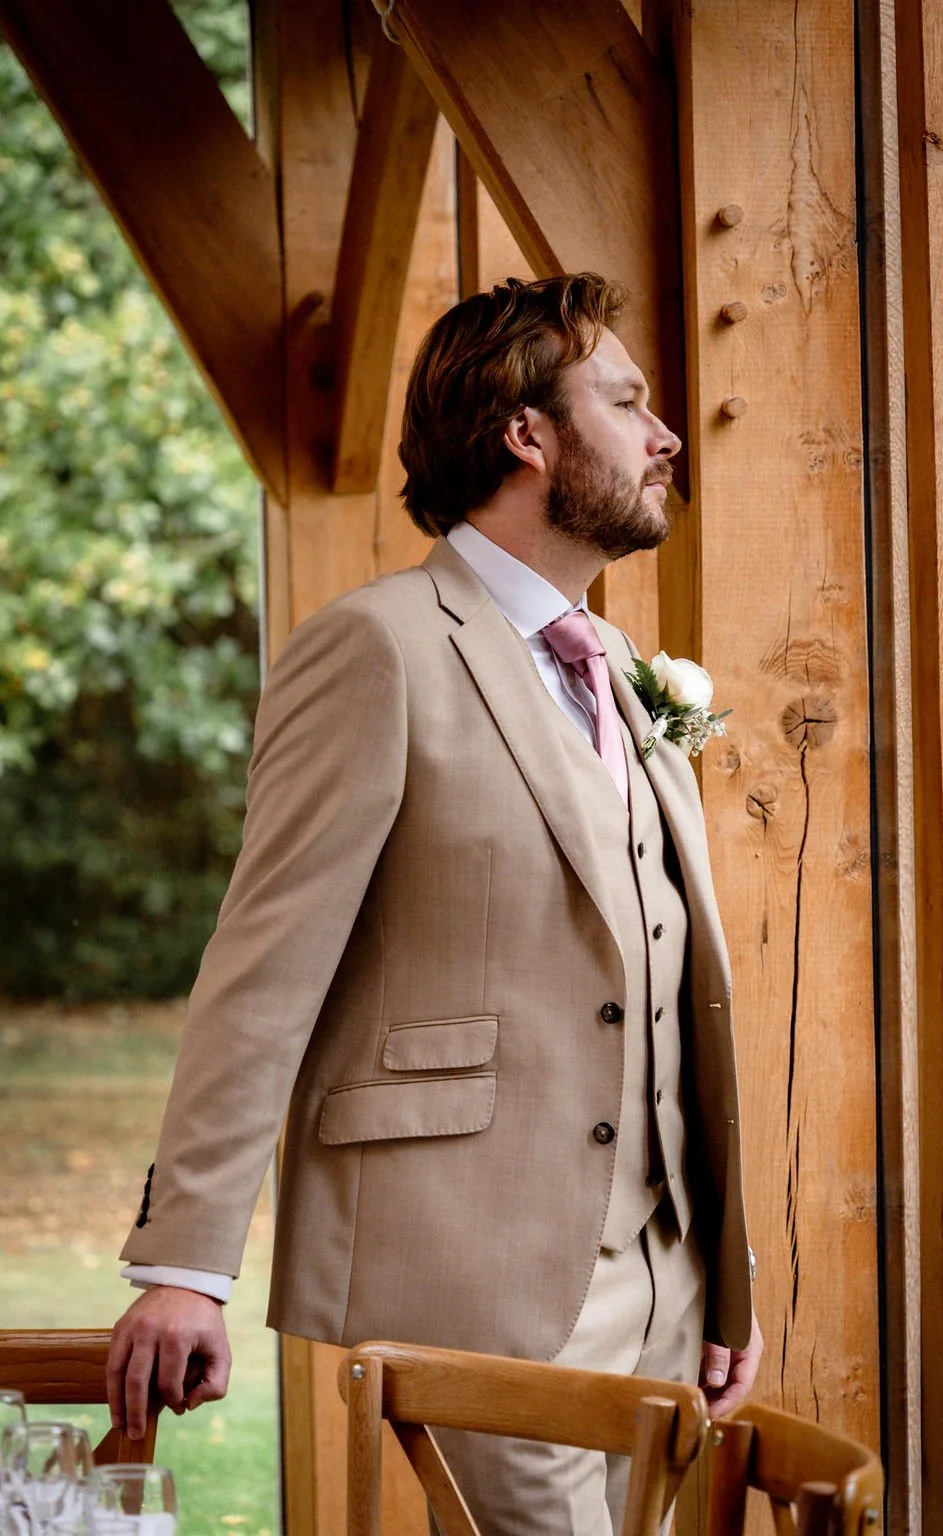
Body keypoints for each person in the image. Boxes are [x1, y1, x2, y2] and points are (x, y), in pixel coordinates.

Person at [108, 273, 762, 1535]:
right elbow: (265, 962)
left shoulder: (620, 668)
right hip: (486, 1272)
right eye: (626, 402)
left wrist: (718, 1281)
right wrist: (183, 1266)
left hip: (666, 1290)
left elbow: (672, 979)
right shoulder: (380, 647)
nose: (665, 435)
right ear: (527, 435)